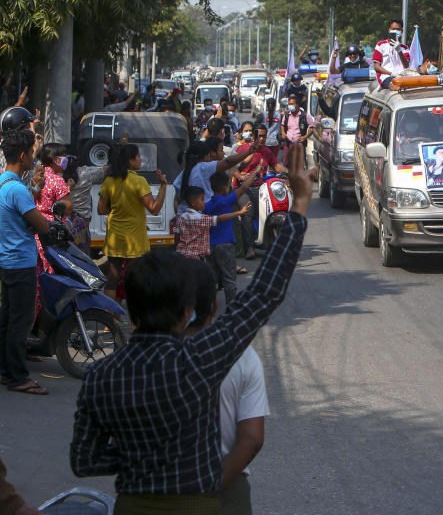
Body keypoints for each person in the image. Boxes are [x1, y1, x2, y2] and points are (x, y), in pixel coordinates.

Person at [69, 144, 314, 514]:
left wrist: (141, 455)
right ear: (186, 313)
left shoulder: (101, 375)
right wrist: (298, 207)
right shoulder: (198, 359)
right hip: (196, 504)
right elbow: (264, 293)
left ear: (129, 310)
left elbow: (84, 461)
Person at [179, 261, 268, 515]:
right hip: (226, 488)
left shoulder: (147, 357)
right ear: (215, 306)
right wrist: (209, 486)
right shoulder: (243, 356)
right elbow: (252, 439)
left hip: (155, 492)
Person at [0, 129, 50, 395]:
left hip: (6, 261)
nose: (33, 157)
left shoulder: (2, 184)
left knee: (8, 320)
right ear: (22, 155)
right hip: (21, 262)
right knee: (20, 322)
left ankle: (6, 372)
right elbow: (42, 224)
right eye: (31, 153)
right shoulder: (18, 190)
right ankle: (19, 377)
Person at [99, 143, 168, 300]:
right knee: (135, 279)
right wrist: (163, 186)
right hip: (135, 238)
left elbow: (101, 210)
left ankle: (109, 320)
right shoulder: (139, 181)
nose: (140, 159)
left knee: (112, 278)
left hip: (115, 235)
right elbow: (154, 208)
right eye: (138, 156)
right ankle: (134, 322)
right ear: (130, 160)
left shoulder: (110, 180)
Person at [32, 143, 74, 314]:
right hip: (51, 236)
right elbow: (69, 206)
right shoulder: (57, 180)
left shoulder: (33, 178)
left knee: (37, 280)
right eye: (63, 157)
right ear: (55, 159)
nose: (66, 160)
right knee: (52, 278)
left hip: (33, 235)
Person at [205, 170, 258, 301]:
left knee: (213, 280)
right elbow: (244, 187)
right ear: (225, 187)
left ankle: (209, 309)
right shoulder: (226, 201)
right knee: (229, 279)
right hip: (225, 245)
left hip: (210, 246)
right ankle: (231, 309)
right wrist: (256, 171)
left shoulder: (207, 205)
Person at [172, 137, 260, 214]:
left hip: (184, 218)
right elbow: (228, 162)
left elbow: (176, 200)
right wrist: (249, 151)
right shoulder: (203, 168)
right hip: (201, 218)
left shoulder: (182, 174)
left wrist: (180, 216)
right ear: (205, 156)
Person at [235, 125, 283, 259]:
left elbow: (277, 166)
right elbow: (235, 166)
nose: (262, 139)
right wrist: (240, 176)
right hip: (243, 188)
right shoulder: (243, 149)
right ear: (253, 136)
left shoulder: (267, 151)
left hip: (261, 186)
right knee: (248, 213)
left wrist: (292, 174)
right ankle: (249, 247)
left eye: (264, 136)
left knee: (271, 209)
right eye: (259, 136)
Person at [173, 185, 249, 262]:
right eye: (202, 200)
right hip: (195, 258)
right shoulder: (200, 218)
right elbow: (220, 218)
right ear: (194, 203)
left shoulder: (181, 218)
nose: (204, 202)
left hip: (181, 255)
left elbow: (177, 238)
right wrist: (239, 212)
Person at [372, 18, 411, 89]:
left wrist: (399, 51)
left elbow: (406, 65)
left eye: (398, 29)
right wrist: (391, 73)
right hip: (386, 77)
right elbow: (376, 67)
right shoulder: (381, 45)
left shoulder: (404, 48)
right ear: (389, 30)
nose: (396, 31)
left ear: (402, 31)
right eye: (393, 29)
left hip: (403, 76)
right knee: (397, 86)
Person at [280, 94, 316, 159]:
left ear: (297, 105)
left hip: (299, 144)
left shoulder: (305, 116)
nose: (290, 106)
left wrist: (305, 136)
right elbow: (282, 125)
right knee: (285, 162)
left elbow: (312, 127)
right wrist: (283, 133)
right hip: (288, 143)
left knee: (299, 164)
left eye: (292, 104)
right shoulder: (287, 115)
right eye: (289, 104)